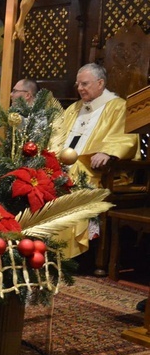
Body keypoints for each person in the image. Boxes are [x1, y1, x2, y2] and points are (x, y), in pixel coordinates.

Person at [48, 62, 139, 258]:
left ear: (100, 83)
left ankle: (67, 251)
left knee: (72, 176)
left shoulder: (117, 107)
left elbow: (128, 137)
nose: (80, 88)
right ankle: (44, 246)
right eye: (78, 84)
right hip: (66, 165)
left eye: (85, 84)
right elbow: (55, 137)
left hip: (98, 171)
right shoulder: (73, 108)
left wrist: (108, 152)